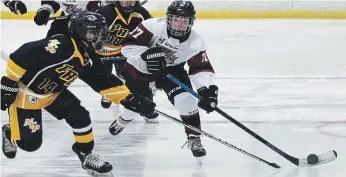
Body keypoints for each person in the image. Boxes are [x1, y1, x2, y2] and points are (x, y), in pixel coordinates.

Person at [1, 11, 157, 177]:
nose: (98, 37)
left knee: (80, 116)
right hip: (26, 95)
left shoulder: (87, 54)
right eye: (93, 33)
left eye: (100, 32)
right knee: (30, 145)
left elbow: (102, 80)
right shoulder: (60, 46)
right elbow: (22, 55)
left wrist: (130, 98)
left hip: (54, 93)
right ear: (79, 32)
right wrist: (9, 82)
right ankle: (10, 132)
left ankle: (86, 154)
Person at [115, 0, 219, 159]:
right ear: (168, 18)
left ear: (191, 22)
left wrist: (206, 90)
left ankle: (194, 137)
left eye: (184, 21)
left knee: (188, 101)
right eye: (176, 19)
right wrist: (145, 54)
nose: (179, 24)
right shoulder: (152, 26)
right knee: (136, 107)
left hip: (171, 71)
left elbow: (200, 68)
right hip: (140, 69)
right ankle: (123, 119)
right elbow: (127, 46)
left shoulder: (196, 41)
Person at [95, 1, 152, 115]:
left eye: (131, 1)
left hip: (123, 51)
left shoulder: (140, 12)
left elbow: (153, 30)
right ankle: (109, 94)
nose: (128, 3)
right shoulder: (105, 13)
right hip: (101, 52)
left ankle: (146, 106)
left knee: (131, 77)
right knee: (105, 77)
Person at [34, 0, 101, 37]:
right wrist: (44, 11)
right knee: (53, 39)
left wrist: (97, 8)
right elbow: (52, 2)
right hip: (67, 20)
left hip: (91, 21)